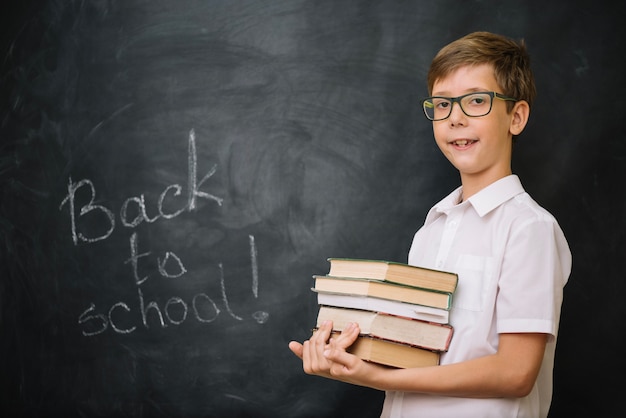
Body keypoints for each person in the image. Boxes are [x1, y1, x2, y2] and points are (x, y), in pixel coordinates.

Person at [288, 31, 572, 418]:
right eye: (442, 104)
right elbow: (419, 358)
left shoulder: (528, 228)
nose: (455, 118)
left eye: (476, 101)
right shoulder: (432, 230)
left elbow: (515, 373)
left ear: (516, 116)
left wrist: (380, 379)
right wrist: (346, 358)